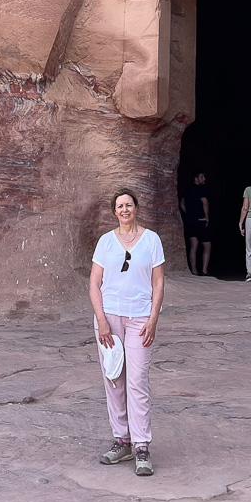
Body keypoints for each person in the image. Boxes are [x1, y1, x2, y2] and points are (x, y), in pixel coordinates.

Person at [89, 189, 165, 476]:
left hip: (140, 318)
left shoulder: (151, 240)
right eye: (120, 206)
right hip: (109, 318)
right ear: (114, 211)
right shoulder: (105, 242)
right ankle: (122, 440)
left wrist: (154, 318)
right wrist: (101, 319)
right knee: (114, 379)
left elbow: (158, 282)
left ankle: (141, 445)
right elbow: (94, 283)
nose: (124, 210)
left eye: (129, 205)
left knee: (137, 381)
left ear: (136, 208)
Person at [179, 170, 211, 275]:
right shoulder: (200, 189)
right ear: (196, 179)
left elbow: (182, 203)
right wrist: (206, 217)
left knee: (194, 245)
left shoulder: (187, 189)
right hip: (200, 220)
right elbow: (205, 203)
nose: (204, 179)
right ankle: (204, 270)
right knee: (207, 245)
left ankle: (194, 270)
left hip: (190, 221)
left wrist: (188, 214)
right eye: (202, 177)